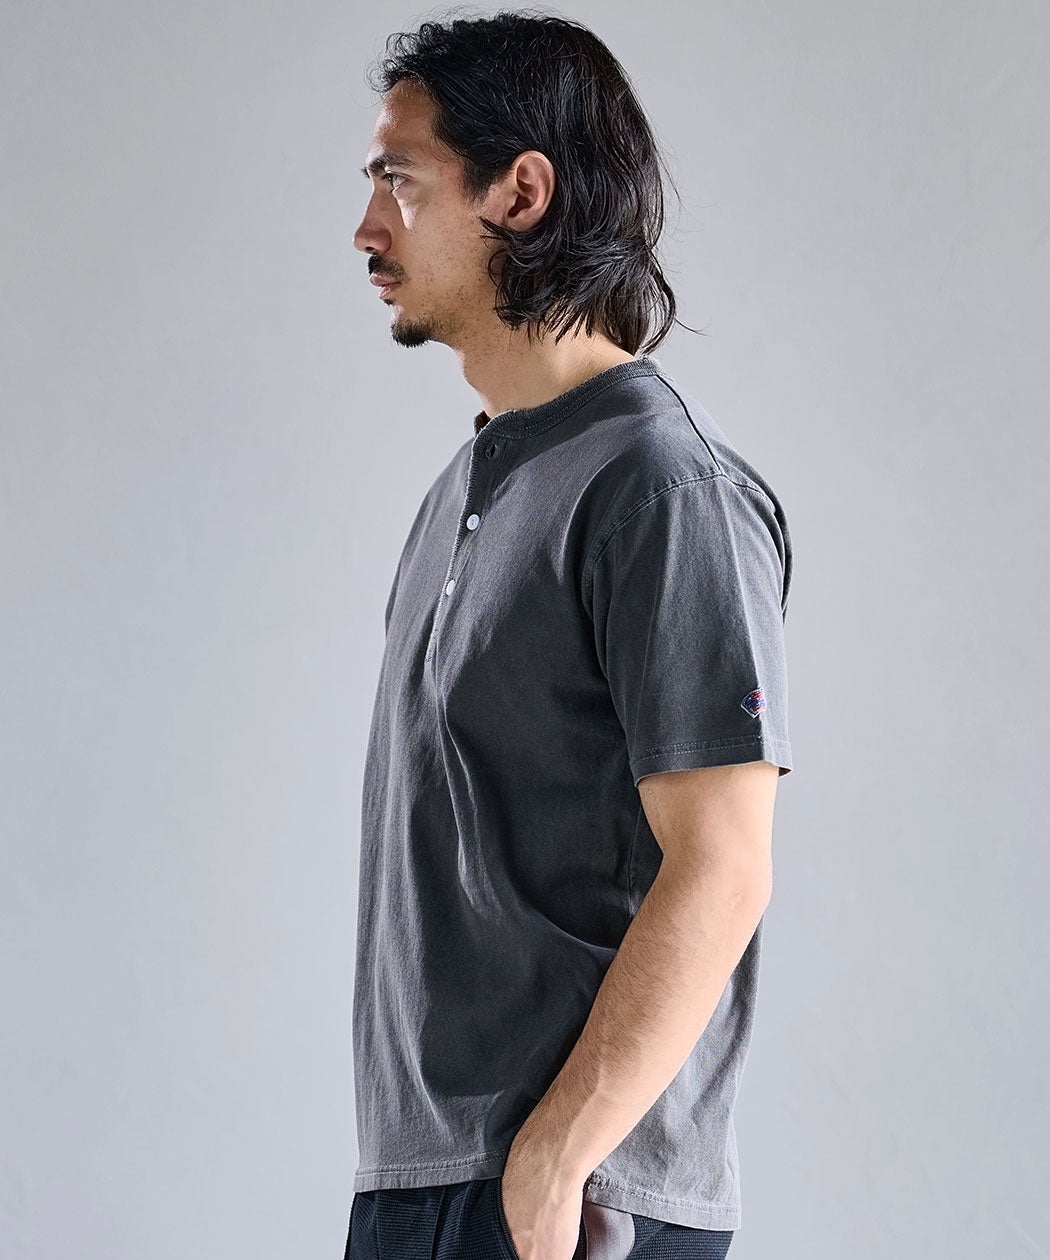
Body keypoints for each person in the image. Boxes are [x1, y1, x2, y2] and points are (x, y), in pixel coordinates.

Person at [344, 11, 795, 1260]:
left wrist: (555, 1160)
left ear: (521, 193)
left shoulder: (662, 487)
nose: (368, 227)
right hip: (425, 1178)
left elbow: (724, 865)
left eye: (401, 181)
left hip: (573, 1202)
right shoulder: (469, 485)